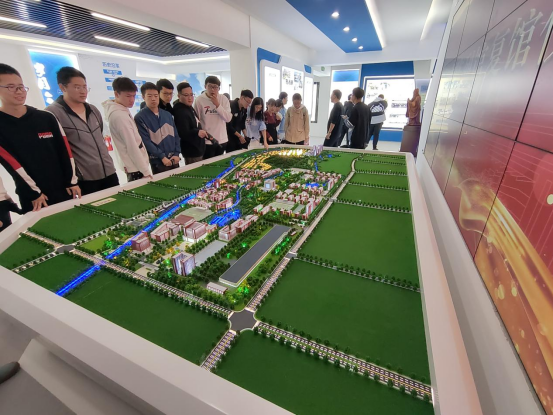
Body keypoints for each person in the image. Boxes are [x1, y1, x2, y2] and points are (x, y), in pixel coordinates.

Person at [0, 64, 80, 213]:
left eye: (21, 87)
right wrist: (33, 192)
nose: (19, 91)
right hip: (34, 198)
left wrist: (71, 181)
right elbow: (12, 164)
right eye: (11, 87)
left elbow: (65, 151)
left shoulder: (46, 117)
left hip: (64, 190)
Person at [46, 67, 119, 196]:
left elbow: (100, 137)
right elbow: (56, 151)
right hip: (83, 179)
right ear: (62, 87)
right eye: (77, 87)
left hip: (109, 173)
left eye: (85, 87)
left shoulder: (93, 110)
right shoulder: (52, 113)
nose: (83, 91)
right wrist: (70, 181)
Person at [102, 77, 152, 182]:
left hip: (135, 165)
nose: (132, 100)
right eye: (128, 96)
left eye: (134, 96)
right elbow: (132, 146)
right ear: (116, 94)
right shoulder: (119, 116)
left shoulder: (122, 110)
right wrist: (145, 171)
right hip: (135, 167)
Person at [134, 82, 181, 175]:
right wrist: (162, 156)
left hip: (173, 159)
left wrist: (177, 153)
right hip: (158, 161)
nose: (153, 99)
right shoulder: (140, 117)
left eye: (156, 96)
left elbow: (176, 135)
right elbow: (146, 141)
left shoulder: (167, 115)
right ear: (143, 97)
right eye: (149, 96)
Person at [173, 82, 216, 165]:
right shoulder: (180, 111)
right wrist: (197, 132)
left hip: (198, 149)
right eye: (186, 95)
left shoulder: (188, 107)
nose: (190, 98)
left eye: (191, 94)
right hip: (192, 151)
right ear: (179, 96)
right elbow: (183, 133)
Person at [193, 76, 232, 156]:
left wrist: (217, 105)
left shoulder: (223, 99)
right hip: (207, 141)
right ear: (205, 87)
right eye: (210, 86)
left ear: (219, 88)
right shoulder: (199, 100)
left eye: (215, 87)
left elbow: (228, 118)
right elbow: (196, 120)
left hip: (222, 139)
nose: (212, 89)